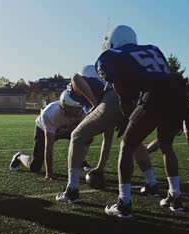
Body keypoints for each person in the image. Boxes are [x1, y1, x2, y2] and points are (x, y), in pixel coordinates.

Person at [96, 25, 189, 218]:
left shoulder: (110, 55)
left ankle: (124, 202)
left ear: (113, 40)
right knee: (166, 145)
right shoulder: (153, 48)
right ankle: (175, 197)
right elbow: (160, 75)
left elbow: (122, 91)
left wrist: (128, 117)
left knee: (127, 144)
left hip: (155, 96)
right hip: (178, 95)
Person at [55, 64, 161, 203]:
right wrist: (100, 167)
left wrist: (95, 104)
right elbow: (107, 139)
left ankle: (72, 190)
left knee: (76, 136)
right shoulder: (102, 87)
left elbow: (75, 78)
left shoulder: (81, 88)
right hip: (128, 100)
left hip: (112, 100)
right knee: (134, 142)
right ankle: (152, 184)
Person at [9, 90, 91, 180]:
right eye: (71, 109)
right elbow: (49, 146)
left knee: (87, 137)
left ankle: (82, 161)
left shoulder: (84, 111)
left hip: (68, 128)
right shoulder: (50, 112)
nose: (74, 113)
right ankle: (19, 156)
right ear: (62, 106)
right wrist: (49, 172)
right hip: (44, 129)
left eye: (77, 109)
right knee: (35, 167)